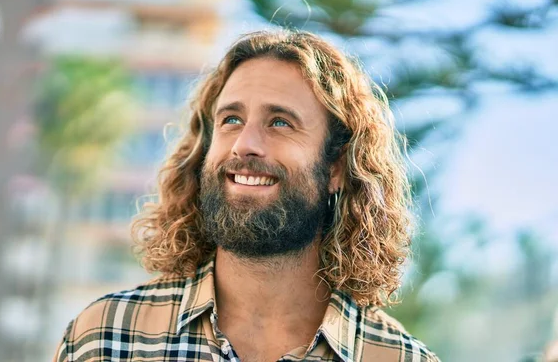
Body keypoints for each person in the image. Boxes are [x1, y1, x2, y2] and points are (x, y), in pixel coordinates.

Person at [53, 30, 440, 361]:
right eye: (231, 120)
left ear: (337, 167)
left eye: (280, 122)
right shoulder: (106, 339)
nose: (245, 144)